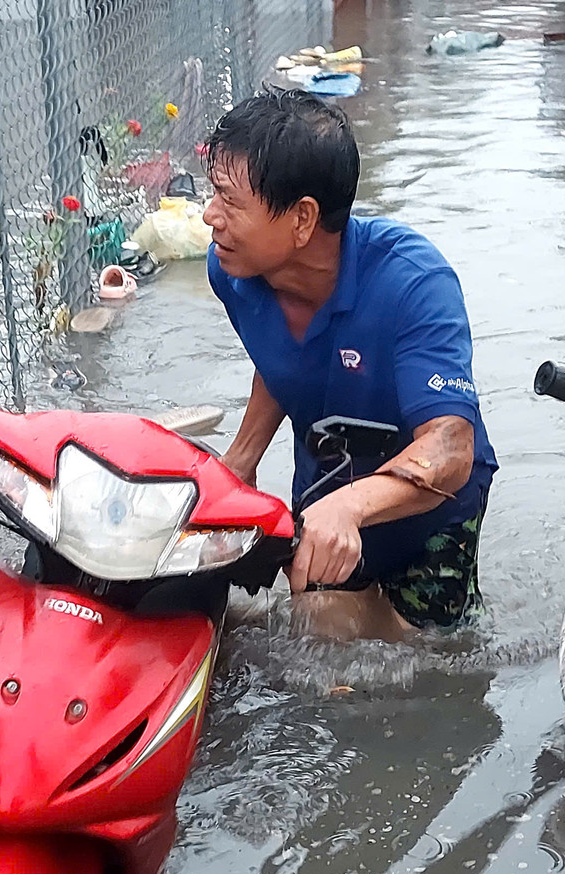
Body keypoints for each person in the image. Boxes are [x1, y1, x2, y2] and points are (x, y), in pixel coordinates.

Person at [203, 87, 496, 633]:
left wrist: (350, 507)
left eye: (230, 202)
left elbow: (452, 448)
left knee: (431, 655)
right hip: (326, 489)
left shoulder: (414, 283)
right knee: (320, 630)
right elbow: (281, 356)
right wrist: (239, 462)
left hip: (428, 510)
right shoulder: (231, 271)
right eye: (212, 193)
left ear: (302, 219)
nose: (209, 216)